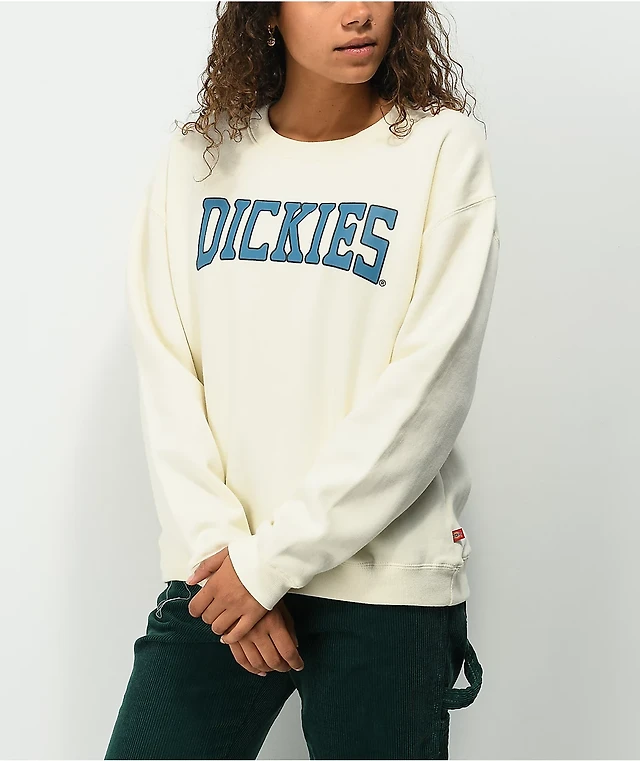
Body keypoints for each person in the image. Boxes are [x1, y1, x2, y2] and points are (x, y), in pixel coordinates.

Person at [105, 1, 499, 758]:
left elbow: (429, 387)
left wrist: (271, 563)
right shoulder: (197, 159)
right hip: (220, 578)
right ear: (267, 14)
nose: (359, 14)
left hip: (381, 581)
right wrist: (232, 560)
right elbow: (169, 376)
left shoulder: (442, 150)